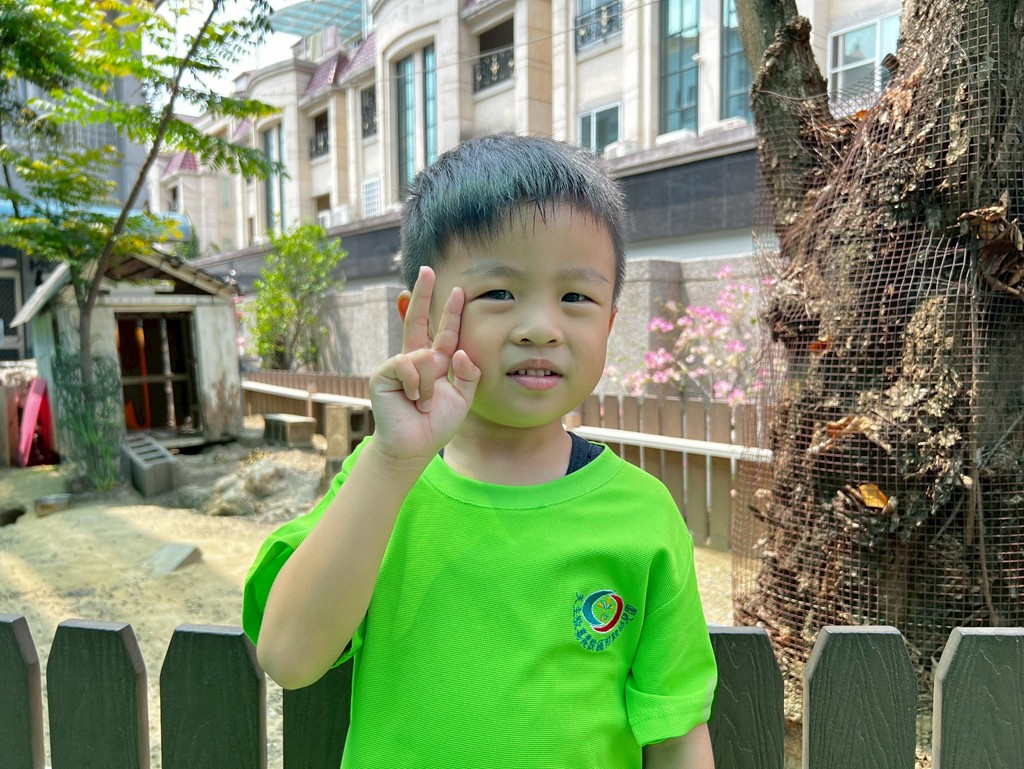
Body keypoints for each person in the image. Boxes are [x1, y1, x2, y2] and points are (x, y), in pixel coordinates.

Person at [242, 133, 717, 768]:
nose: (541, 327)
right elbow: (288, 658)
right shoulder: (381, 485)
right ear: (420, 315)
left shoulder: (643, 514)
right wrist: (391, 462)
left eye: (576, 297)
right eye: (498, 293)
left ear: (609, 323)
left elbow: (676, 730)